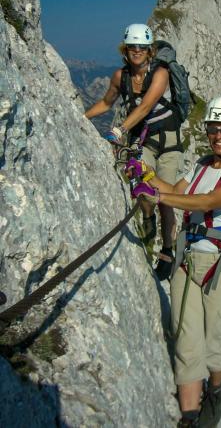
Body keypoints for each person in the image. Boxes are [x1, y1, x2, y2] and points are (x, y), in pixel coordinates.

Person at [132, 94, 221, 427]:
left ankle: (216, 391)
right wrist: (143, 173)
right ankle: (189, 416)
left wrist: (158, 196)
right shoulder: (201, 166)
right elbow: (174, 188)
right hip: (188, 261)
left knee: (213, 343)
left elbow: (209, 200)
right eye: (214, 128)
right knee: (186, 336)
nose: (218, 135)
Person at [85, 24, 183, 279]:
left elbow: (146, 106)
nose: (136, 51)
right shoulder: (120, 76)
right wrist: (80, 116)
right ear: (125, 49)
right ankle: (148, 218)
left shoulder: (160, 73)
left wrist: (119, 129)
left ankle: (167, 249)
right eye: (132, 46)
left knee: (166, 198)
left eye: (141, 47)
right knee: (145, 189)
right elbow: (107, 102)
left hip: (169, 141)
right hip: (145, 141)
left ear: (149, 50)